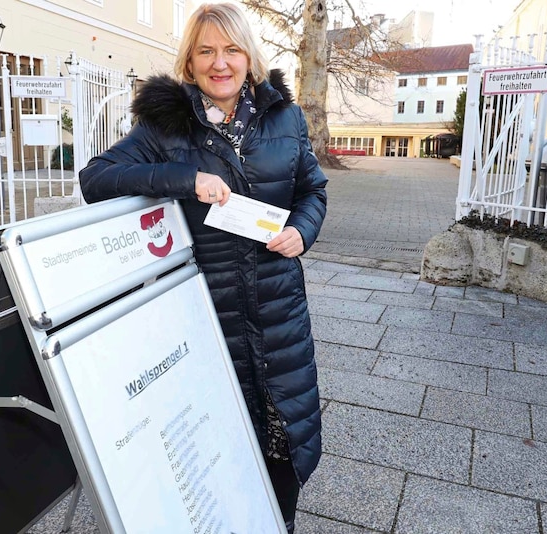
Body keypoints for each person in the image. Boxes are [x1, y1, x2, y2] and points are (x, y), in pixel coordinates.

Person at [79, 3, 327, 532]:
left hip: (280, 311)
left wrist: (303, 231)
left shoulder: (285, 116)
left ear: (249, 56)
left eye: (232, 49)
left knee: (285, 440)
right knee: (216, 448)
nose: (220, 63)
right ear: (189, 62)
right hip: (203, 316)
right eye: (206, 51)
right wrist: (182, 177)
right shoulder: (165, 125)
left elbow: (312, 191)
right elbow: (96, 178)